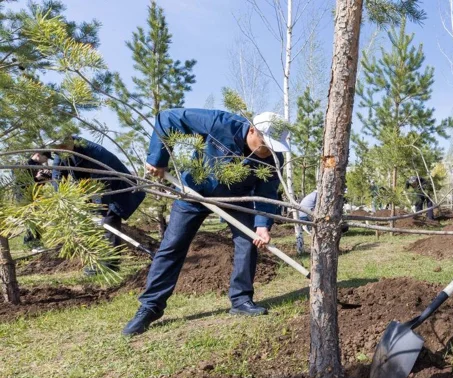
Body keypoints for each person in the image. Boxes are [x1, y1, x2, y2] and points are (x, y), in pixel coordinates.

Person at [122, 109, 289, 337]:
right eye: (265, 143)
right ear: (252, 130)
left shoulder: (273, 159)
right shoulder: (220, 124)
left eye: (273, 146)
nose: (268, 150)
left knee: (248, 242)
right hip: (194, 193)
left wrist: (262, 225)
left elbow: (267, 193)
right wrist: (157, 159)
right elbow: (167, 119)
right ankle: (150, 307)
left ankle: (241, 300)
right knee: (173, 246)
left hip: (235, 199)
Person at [50, 136, 146, 272]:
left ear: (70, 141)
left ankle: (108, 264)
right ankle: (97, 260)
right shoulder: (61, 151)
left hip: (118, 188)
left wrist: (98, 209)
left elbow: (101, 184)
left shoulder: (95, 152)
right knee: (93, 223)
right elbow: (57, 175)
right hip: (90, 188)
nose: (61, 152)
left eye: (63, 148)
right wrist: (60, 197)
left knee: (108, 220)